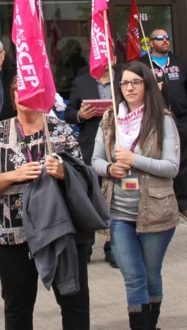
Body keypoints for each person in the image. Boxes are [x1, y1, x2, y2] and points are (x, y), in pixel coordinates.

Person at [0, 78, 89, 330]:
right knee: (17, 307)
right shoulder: (0, 131)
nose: (25, 97)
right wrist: (13, 175)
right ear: (13, 98)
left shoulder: (61, 130)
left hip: (59, 231)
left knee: (74, 303)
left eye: (31, 91)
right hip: (11, 236)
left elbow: (83, 176)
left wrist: (63, 171)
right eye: (18, 91)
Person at [92, 62, 179, 330]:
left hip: (155, 211)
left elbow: (172, 167)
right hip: (118, 213)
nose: (129, 88)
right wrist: (109, 168)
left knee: (151, 275)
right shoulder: (110, 119)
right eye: (124, 83)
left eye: (135, 82)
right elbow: (94, 160)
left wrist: (135, 160)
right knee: (133, 277)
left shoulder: (163, 119)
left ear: (147, 85)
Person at [65, 54, 117, 265]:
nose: (106, 60)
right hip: (89, 145)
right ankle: (85, 246)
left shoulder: (124, 78)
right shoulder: (81, 81)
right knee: (89, 195)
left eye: (110, 56)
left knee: (113, 198)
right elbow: (68, 113)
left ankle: (113, 247)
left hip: (118, 144)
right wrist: (80, 115)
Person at [144, 28, 187, 222]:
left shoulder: (178, 63)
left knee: (183, 162)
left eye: (167, 37)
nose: (165, 40)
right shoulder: (143, 65)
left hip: (182, 120)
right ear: (151, 43)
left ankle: (184, 205)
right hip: (154, 121)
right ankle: (161, 204)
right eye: (160, 38)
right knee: (158, 162)